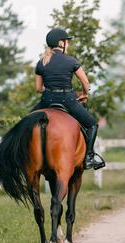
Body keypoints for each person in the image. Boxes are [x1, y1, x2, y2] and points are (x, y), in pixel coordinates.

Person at [32, 28, 105, 170]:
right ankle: (89, 157)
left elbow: (38, 89)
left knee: (25, 123)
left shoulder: (41, 62)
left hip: (46, 100)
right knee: (92, 125)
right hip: (68, 100)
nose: (68, 44)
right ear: (61, 43)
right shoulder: (71, 61)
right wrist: (85, 94)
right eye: (67, 41)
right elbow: (85, 82)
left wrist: (50, 91)